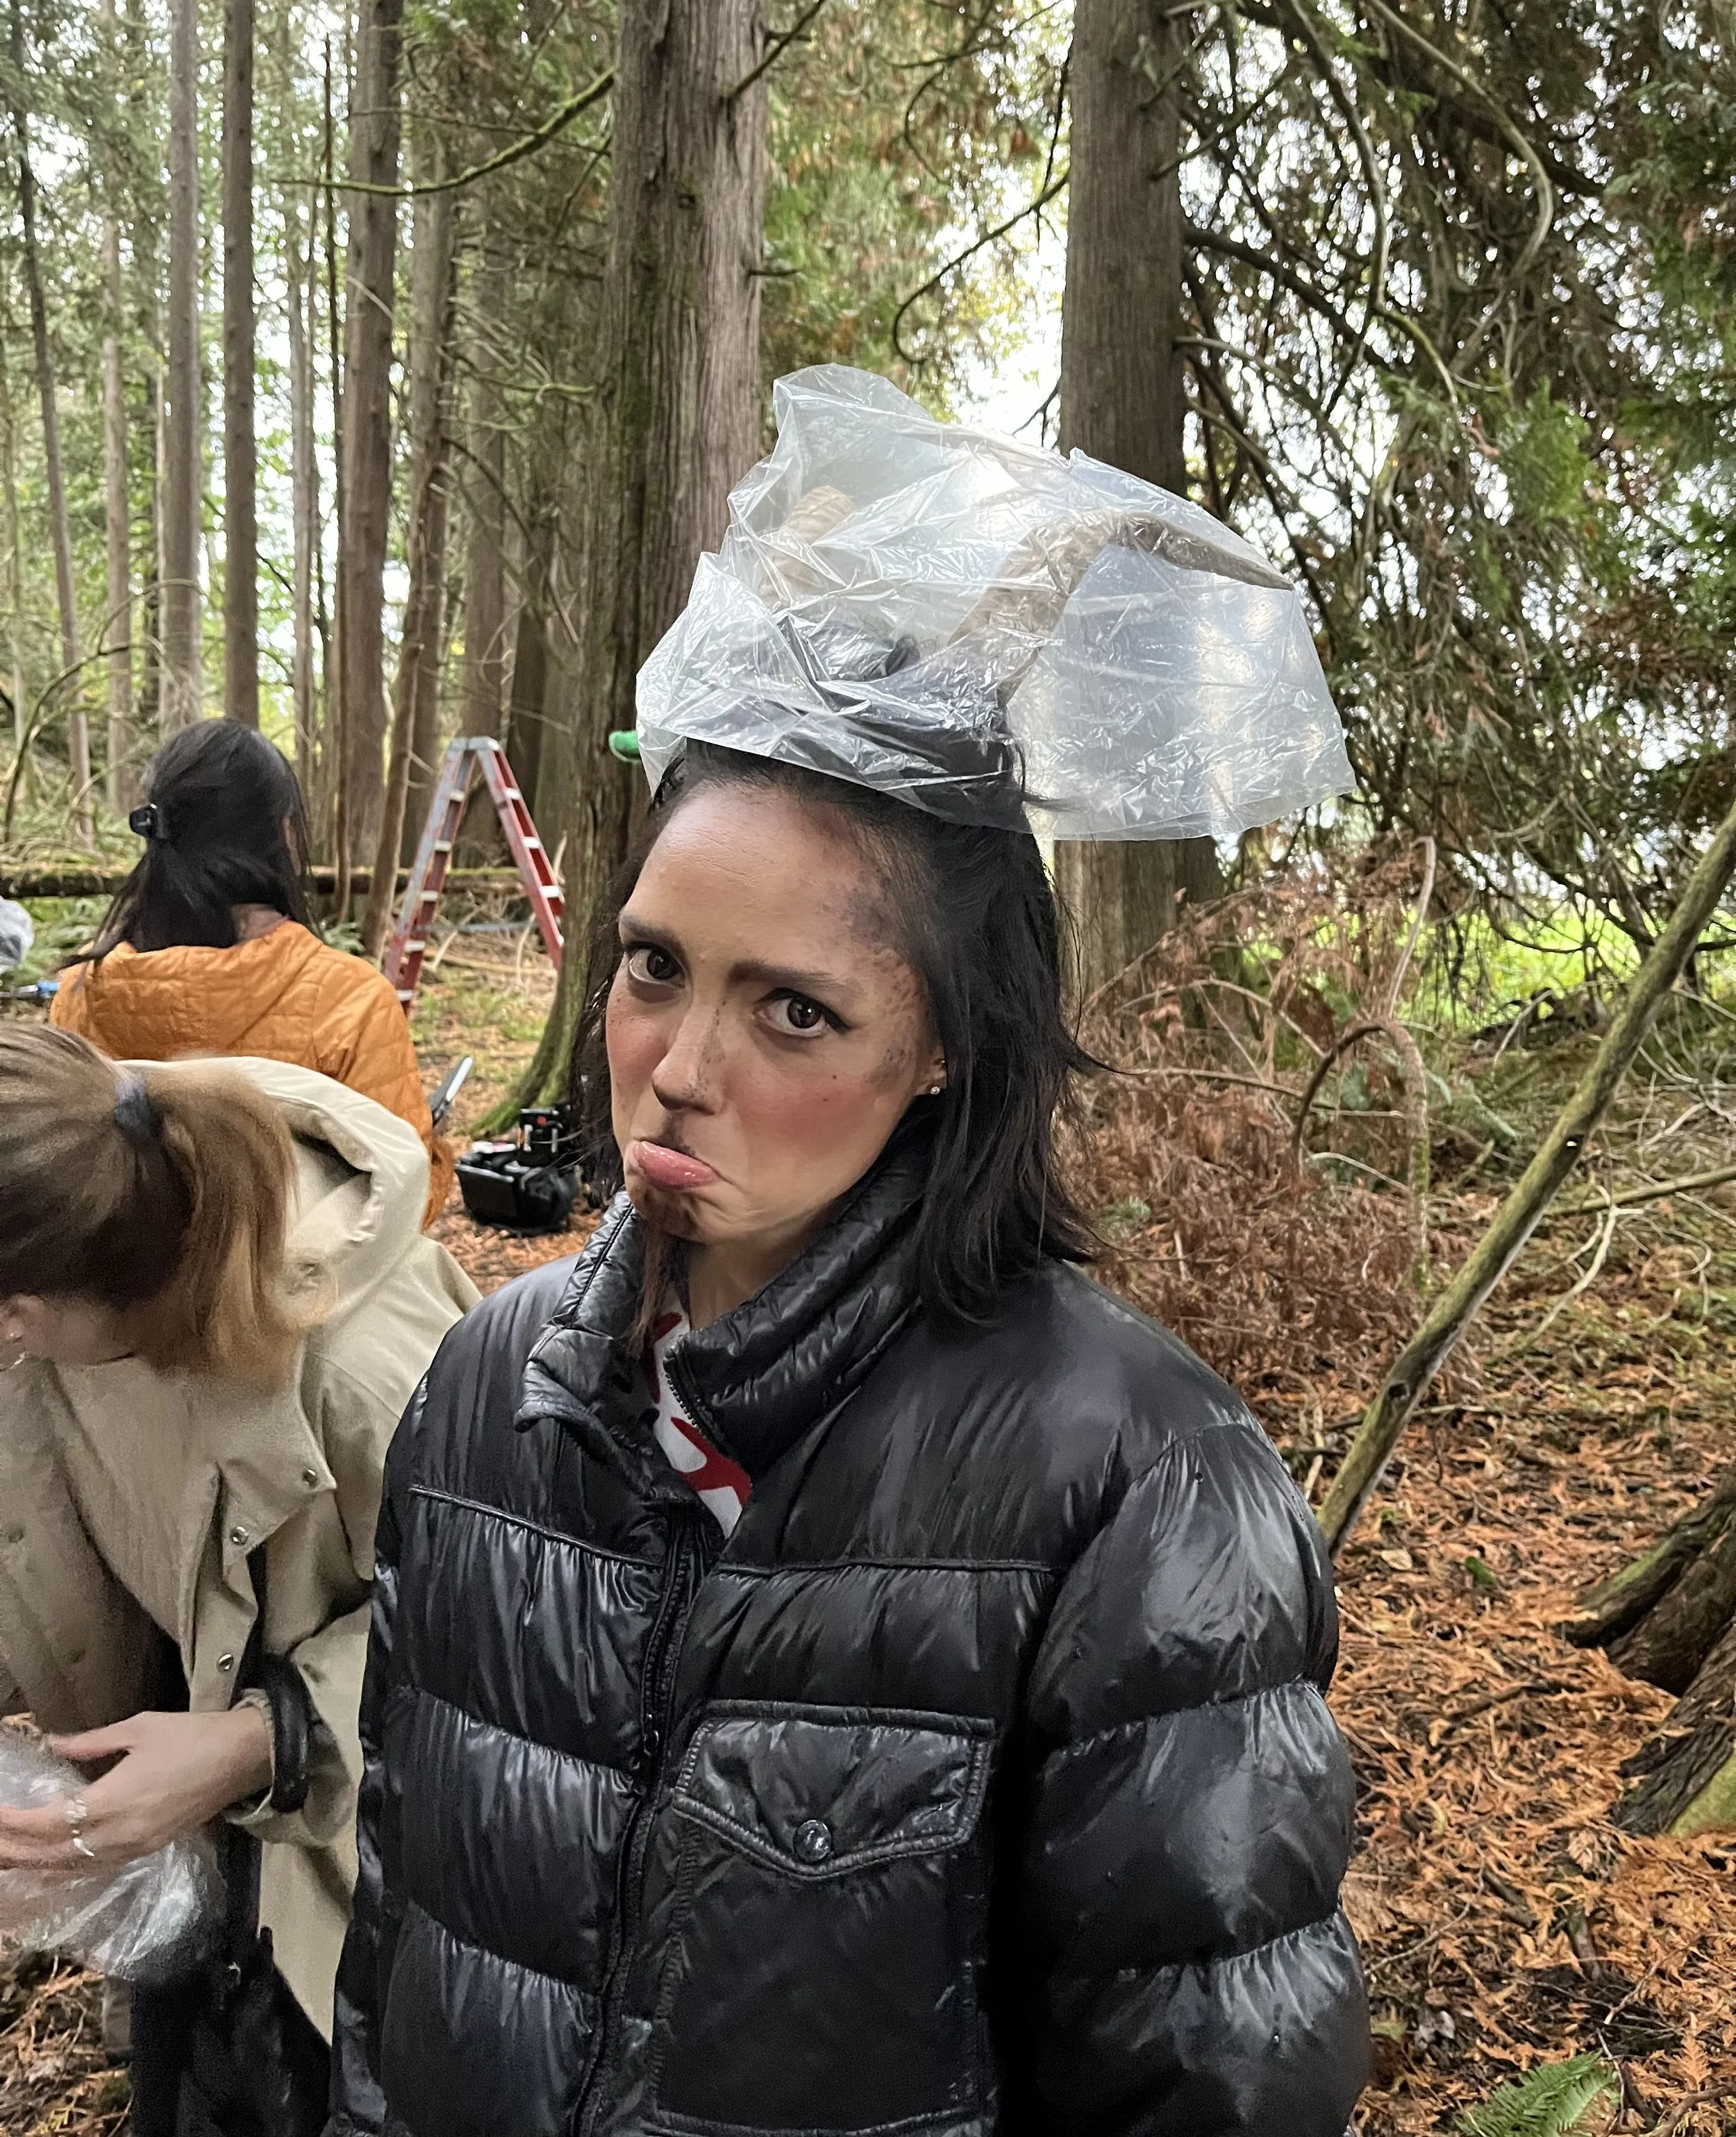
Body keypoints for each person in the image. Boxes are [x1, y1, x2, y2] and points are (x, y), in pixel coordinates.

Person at [329, 372, 1369, 2136]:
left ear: (945, 1045)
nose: (681, 1065)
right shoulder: (484, 1395)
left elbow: (1209, 2077)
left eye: (793, 1010)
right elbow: (404, 1950)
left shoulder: (1128, 1483)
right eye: (652, 966)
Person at [0, 1028, 476, 2134]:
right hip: (193, 1874)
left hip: (355, 1897)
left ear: (22, 1304)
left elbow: (518, 1644)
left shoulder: (368, 1367)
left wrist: (264, 1738)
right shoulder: (53, 1324)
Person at [50, 717, 455, 1219]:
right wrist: (437, 1154)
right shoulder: (351, 1001)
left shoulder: (79, 993)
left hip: (120, 1291)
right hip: (309, 1292)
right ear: (285, 833)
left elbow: (60, 1184)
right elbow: (407, 1196)